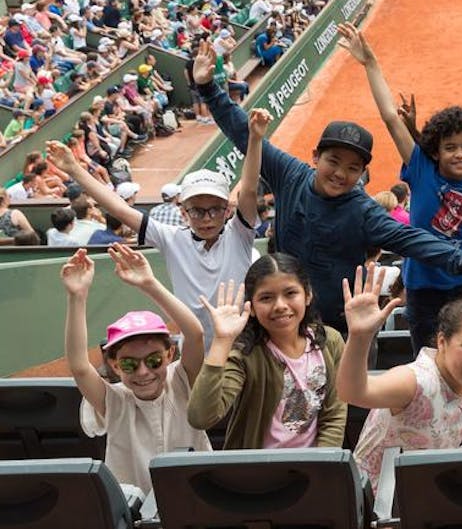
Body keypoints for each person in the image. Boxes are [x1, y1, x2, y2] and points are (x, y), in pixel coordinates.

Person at [191, 42, 462, 334]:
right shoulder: (289, 174)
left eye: (352, 168)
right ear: (316, 157)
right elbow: (242, 132)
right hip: (282, 322)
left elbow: (415, 240)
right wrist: (208, 89)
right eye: (333, 161)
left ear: (363, 173)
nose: (340, 174)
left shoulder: (364, 213)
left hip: (338, 329)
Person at [346, 23, 462, 350]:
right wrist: (371, 63)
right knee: (427, 359)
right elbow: (391, 118)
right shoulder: (422, 170)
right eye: (450, 147)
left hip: (461, 282)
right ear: (435, 151)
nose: (459, 154)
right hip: (420, 287)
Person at [46, 135, 258, 348]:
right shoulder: (171, 238)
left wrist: (255, 138)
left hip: (241, 351)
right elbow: (119, 208)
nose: (207, 218)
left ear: (228, 210)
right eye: (197, 211)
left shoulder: (238, 236)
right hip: (194, 354)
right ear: (183, 212)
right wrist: (73, 169)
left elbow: (248, 190)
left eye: (215, 209)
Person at [338, 268, 462, 491]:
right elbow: (352, 393)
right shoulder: (412, 381)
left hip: (429, 484)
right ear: (442, 342)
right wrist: (359, 336)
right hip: (382, 500)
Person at [65, 245, 212, 493]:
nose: (143, 372)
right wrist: (76, 297)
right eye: (130, 364)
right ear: (114, 364)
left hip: (195, 498)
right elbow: (79, 367)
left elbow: (195, 334)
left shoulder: (181, 381)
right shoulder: (114, 400)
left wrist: (149, 284)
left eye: (154, 361)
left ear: (169, 354)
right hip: (135, 510)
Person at [188, 254, 347, 449]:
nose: (280, 305)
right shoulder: (245, 354)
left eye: (290, 293)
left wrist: (320, 467)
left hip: (314, 469)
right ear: (252, 307)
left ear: (308, 295)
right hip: (257, 470)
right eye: (266, 298)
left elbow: (334, 415)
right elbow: (200, 417)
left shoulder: (330, 341)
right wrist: (222, 341)